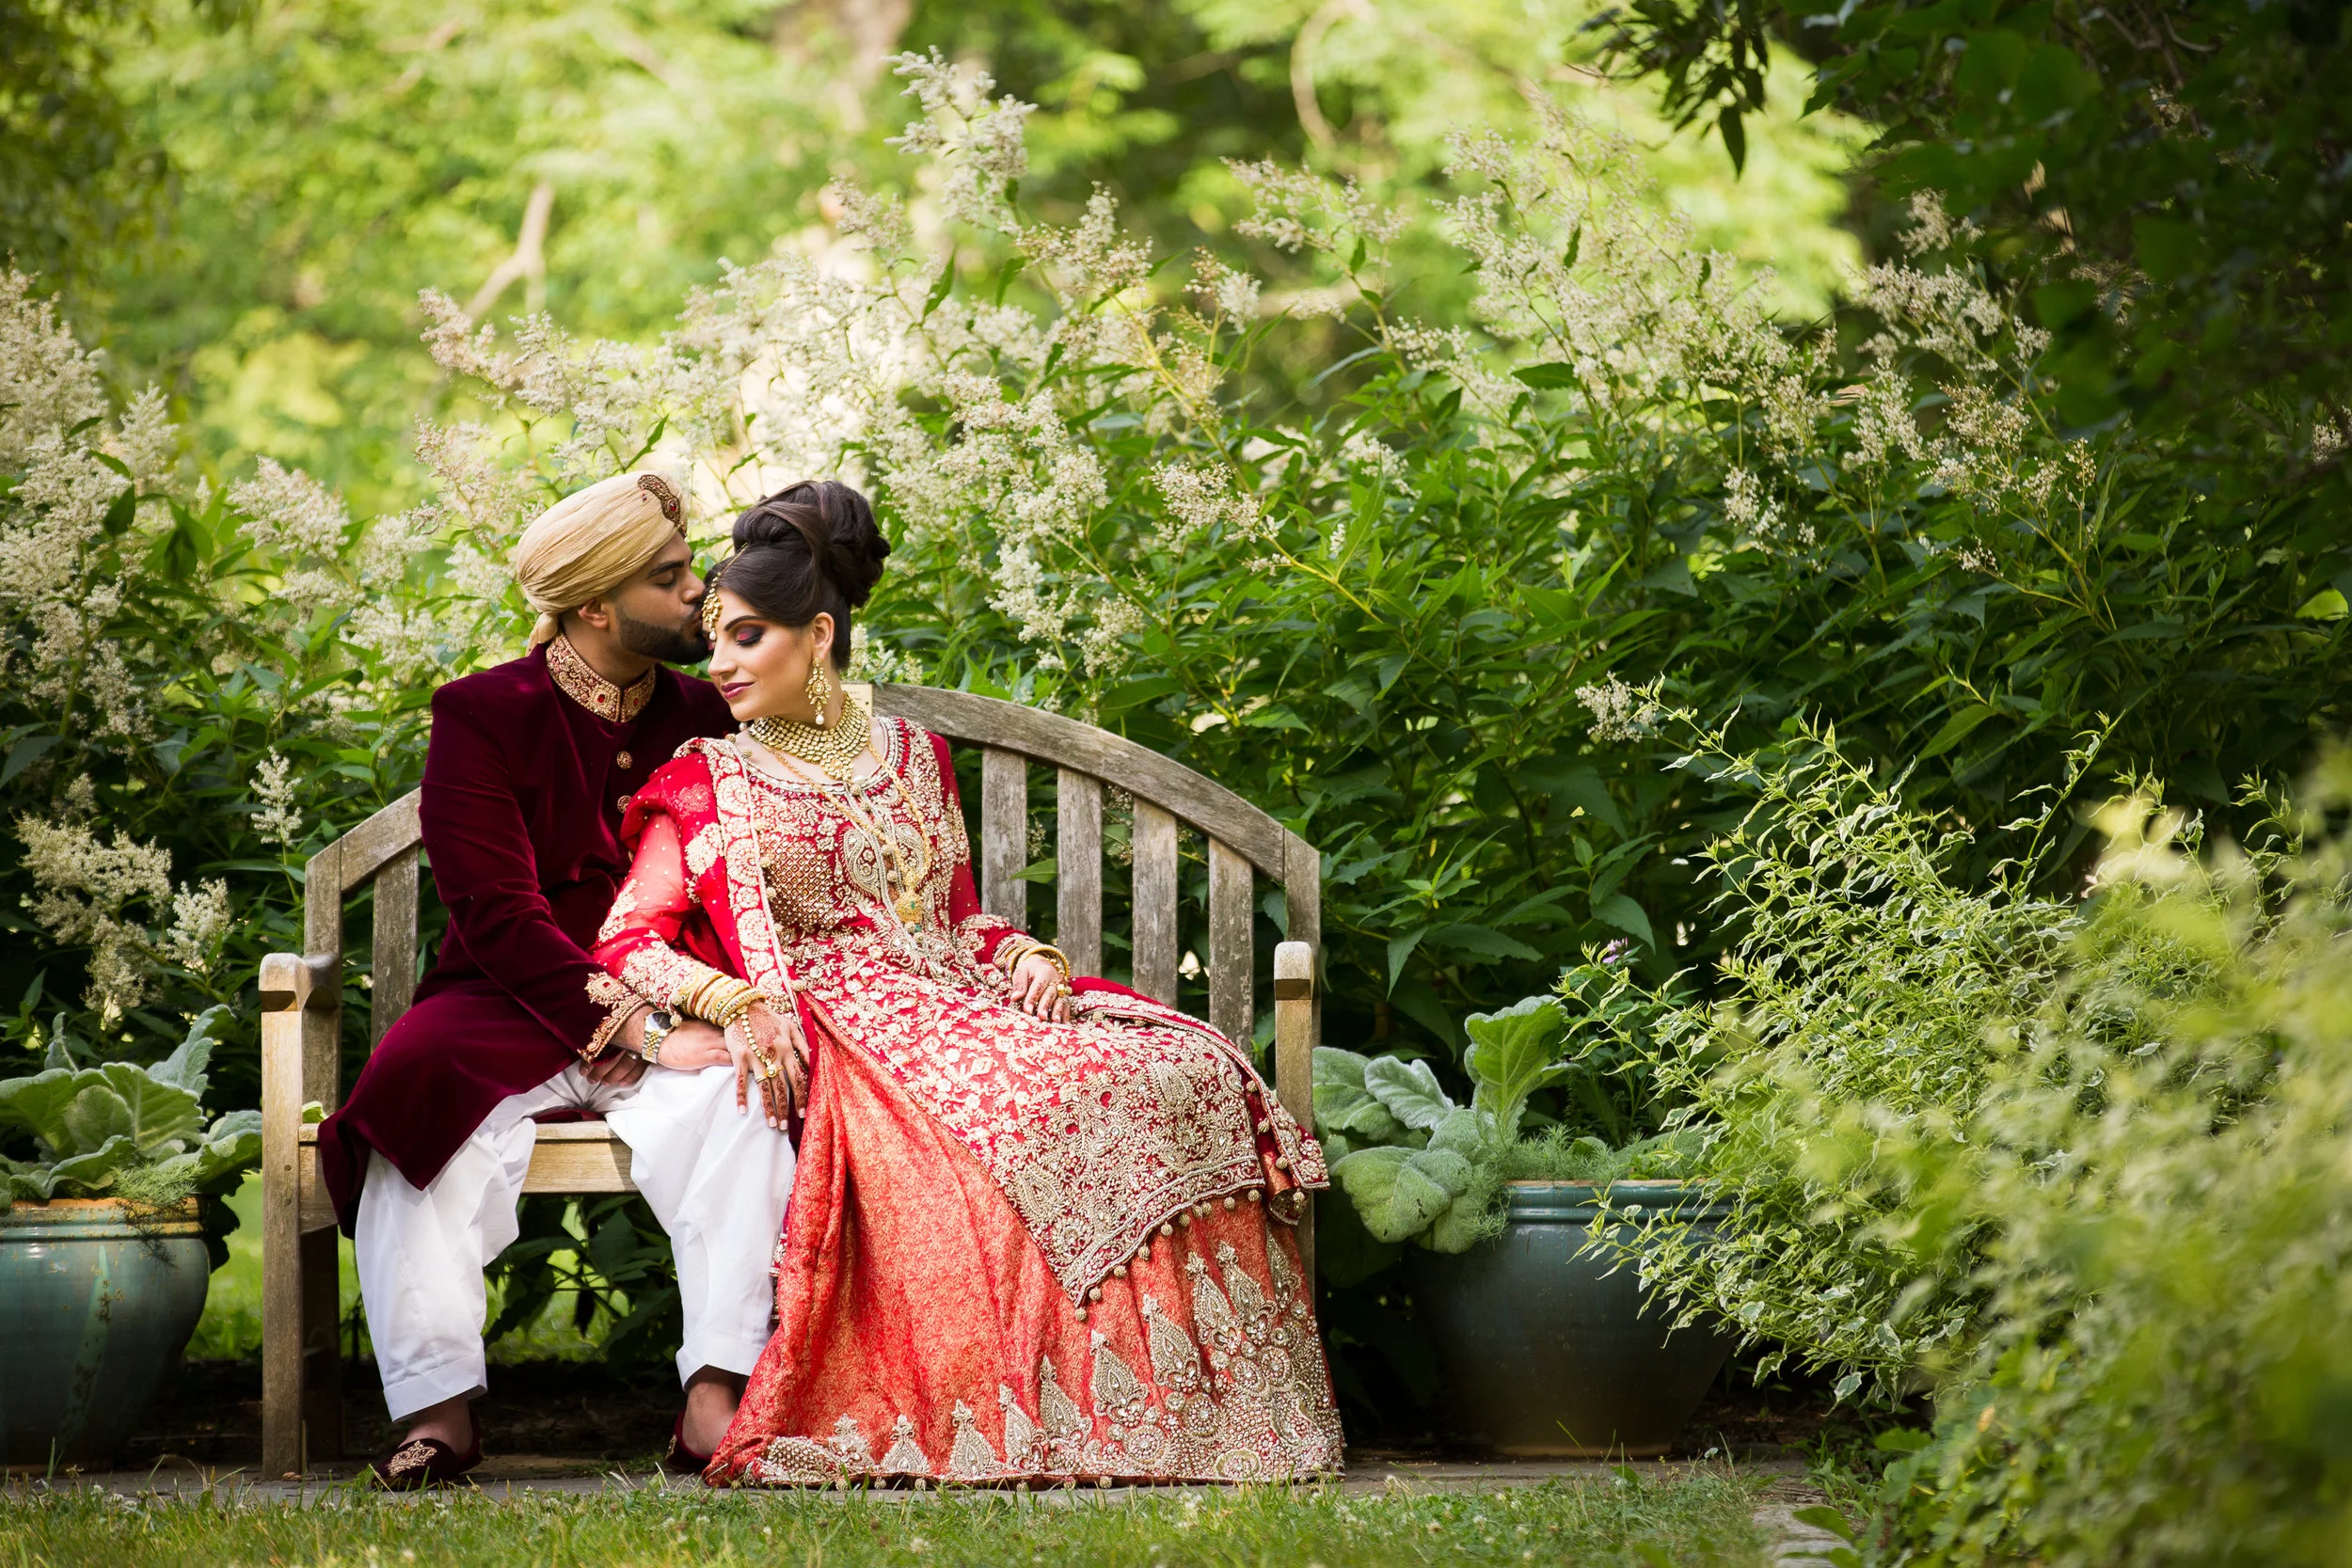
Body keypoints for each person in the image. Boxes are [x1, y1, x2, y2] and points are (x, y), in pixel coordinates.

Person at [593, 480, 1343, 1487]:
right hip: (847, 1024)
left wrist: (1027, 955)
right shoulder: (705, 781)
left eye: (746, 636)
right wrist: (734, 999)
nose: (718, 662)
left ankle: (1218, 1410)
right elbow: (624, 941)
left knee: (1169, 1064)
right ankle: (1071, 1410)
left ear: (818, 634)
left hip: (951, 993)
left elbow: (954, 919)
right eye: (715, 639)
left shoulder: (911, 753)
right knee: (1035, 1104)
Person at [316, 472, 797, 1488]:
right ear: (593, 604)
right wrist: (635, 1031)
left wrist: (689, 1018)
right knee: (415, 1098)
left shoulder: (712, 712)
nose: (698, 594)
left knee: (751, 1098)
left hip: (685, 992)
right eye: (671, 578)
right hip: (502, 999)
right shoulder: (486, 712)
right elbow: (495, 911)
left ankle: (718, 1396)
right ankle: (438, 1411)